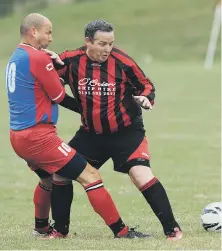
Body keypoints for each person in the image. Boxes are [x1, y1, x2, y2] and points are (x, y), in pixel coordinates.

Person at [6, 13, 151, 239]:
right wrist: (90, 108)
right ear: (33, 31)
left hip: (17, 134)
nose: (51, 38)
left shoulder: (17, 55)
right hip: (38, 136)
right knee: (90, 176)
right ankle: (121, 232)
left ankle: (43, 228)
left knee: (48, 178)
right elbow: (58, 95)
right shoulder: (39, 58)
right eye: (48, 32)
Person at [45, 19, 183, 241]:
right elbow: (49, 80)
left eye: (111, 43)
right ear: (87, 41)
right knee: (60, 173)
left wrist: (146, 99)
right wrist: (45, 60)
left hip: (127, 133)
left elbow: (146, 85)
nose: (107, 49)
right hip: (90, 135)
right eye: (102, 44)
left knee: (140, 175)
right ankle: (60, 231)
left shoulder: (123, 62)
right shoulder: (69, 60)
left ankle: (173, 230)